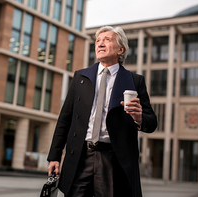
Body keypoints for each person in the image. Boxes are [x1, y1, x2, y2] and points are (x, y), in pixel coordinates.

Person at [47, 26, 157, 197]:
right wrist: (54, 156)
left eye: (107, 39)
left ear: (121, 49)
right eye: (98, 40)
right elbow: (65, 119)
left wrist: (139, 117)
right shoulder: (81, 77)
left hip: (113, 160)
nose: (100, 43)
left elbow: (151, 123)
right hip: (80, 157)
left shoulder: (134, 81)